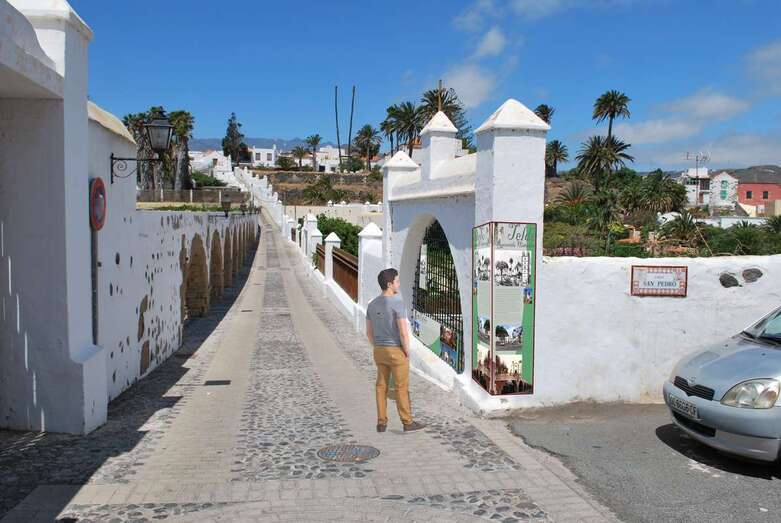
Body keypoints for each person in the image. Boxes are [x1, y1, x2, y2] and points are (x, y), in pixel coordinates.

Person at [365, 268, 425, 433]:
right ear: (390, 284)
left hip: (379, 350)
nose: (398, 283)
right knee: (401, 387)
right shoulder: (397, 302)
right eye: (397, 281)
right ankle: (407, 422)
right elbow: (403, 332)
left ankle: (381, 423)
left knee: (381, 386)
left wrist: (377, 346)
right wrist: (406, 351)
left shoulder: (372, 304)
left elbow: (369, 333)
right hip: (396, 350)